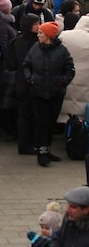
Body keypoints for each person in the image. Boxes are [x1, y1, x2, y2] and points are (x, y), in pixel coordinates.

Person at [24, 21, 74, 166]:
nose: (38, 35)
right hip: (38, 92)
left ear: (49, 36)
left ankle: (46, 149)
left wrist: (62, 82)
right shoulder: (35, 48)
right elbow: (26, 64)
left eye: (41, 33)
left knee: (51, 122)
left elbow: (70, 68)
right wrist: (30, 79)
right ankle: (42, 151)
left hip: (55, 92)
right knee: (41, 122)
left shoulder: (62, 51)